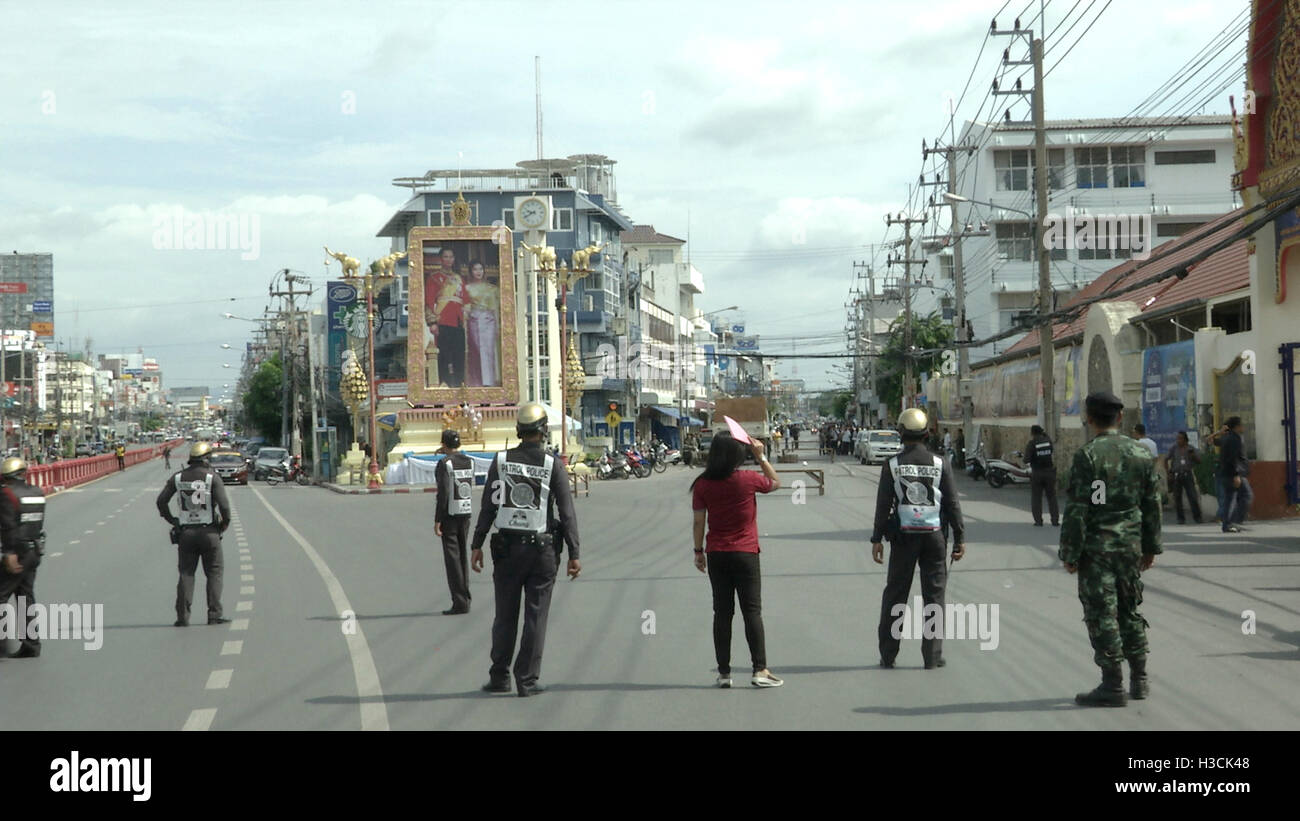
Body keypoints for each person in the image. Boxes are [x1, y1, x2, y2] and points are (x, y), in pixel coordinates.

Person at [470, 403, 580, 697]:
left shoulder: (501, 460)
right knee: (536, 615)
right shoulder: (552, 464)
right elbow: (567, 513)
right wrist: (575, 553)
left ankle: (499, 676)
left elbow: (488, 505)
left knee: (504, 615)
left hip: (506, 550)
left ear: (518, 430)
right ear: (544, 431)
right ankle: (527, 680)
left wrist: (477, 544)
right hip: (541, 551)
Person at [1059, 392, 1161, 707]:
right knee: (1129, 610)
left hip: (1097, 550)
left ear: (1089, 418)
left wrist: (1070, 553)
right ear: (1120, 418)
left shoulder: (1089, 456)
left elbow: (1080, 508)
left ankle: (1112, 683)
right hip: (1130, 548)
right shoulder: (1142, 455)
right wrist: (1150, 547)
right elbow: (1152, 505)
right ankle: (1140, 679)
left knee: (1102, 615)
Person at [870, 408, 966, 669]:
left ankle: (888, 655)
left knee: (895, 595)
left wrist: (877, 539)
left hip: (903, 538)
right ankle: (932, 657)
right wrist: (959, 538)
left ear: (901, 433)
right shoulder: (940, 463)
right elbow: (953, 502)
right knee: (934, 597)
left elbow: (883, 505)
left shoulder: (892, 465)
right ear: (926, 433)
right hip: (934, 537)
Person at [691, 432, 783, 688]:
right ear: (736, 455)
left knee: (722, 613)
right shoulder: (748, 479)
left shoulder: (702, 484)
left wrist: (698, 552)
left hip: (717, 553)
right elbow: (776, 482)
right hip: (745, 553)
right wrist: (761, 455)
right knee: (751, 612)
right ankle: (759, 670)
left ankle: (724, 673)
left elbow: (699, 521)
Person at [156, 442, 232, 627]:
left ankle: (182, 616)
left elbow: (161, 501)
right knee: (214, 573)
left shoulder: (178, 477)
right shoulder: (212, 477)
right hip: (209, 531)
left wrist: (173, 520)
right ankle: (214, 614)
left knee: (186, 574)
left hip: (186, 533)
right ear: (206, 459)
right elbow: (225, 507)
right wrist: (223, 525)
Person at [0, 458, 47, 658]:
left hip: (17, 553)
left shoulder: (7, 494)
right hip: (34, 551)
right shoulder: (37, 493)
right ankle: (31, 644)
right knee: (25, 597)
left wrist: (10, 553)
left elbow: (9, 526)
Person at [435, 429, 475, 615]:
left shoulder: (444, 464)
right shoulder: (469, 461)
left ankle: (459, 601)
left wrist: (438, 520)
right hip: (465, 512)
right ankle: (465, 596)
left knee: (452, 559)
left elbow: (443, 493)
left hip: (450, 515)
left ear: (444, 444)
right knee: (462, 556)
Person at [426, 246, 468, 388]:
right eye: (446, 257)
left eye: (451, 257)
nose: (449, 260)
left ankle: (459, 384)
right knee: (444, 355)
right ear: (440, 259)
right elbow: (429, 301)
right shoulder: (434, 278)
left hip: (459, 322)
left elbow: (465, 300)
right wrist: (432, 322)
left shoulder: (459, 279)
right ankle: (445, 384)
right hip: (443, 321)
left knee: (459, 355)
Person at [1209, 417, 1252, 533]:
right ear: (1237, 426)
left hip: (1227, 473)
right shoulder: (1234, 438)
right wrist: (1236, 474)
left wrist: (1220, 432)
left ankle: (1228, 524)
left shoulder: (1226, 438)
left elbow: (1210, 440)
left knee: (1230, 499)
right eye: (1241, 425)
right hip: (1233, 474)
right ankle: (1233, 522)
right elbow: (1233, 458)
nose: (1243, 427)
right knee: (1247, 495)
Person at [465, 261, 500, 387]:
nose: (478, 272)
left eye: (480, 269)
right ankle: (476, 382)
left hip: (489, 320)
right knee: (475, 350)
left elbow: (495, 308)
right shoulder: (467, 288)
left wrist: (497, 326)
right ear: (471, 271)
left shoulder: (492, 289)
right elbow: (465, 307)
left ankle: (489, 381)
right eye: (475, 269)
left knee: (488, 350)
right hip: (473, 319)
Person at [1025, 424, 1059, 527]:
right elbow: (1051, 451)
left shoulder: (1032, 444)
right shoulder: (1048, 441)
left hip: (1037, 473)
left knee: (1036, 498)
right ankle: (1055, 521)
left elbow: (1026, 459)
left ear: (1032, 433)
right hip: (1049, 472)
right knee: (1052, 497)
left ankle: (1038, 521)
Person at [1166, 431, 1202, 525]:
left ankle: (1197, 517)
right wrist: (1168, 473)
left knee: (1192, 497)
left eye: (1181, 438)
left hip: (1187, 474)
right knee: (1177, 498)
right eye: (1178, 438)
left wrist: (1192, 455)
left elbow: (1199, 461)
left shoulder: (1190, 448)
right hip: (1177, 474)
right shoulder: (1174, 448)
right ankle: (1180, 518)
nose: (1179, 440)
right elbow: (1166, 459)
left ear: (1185, 439)